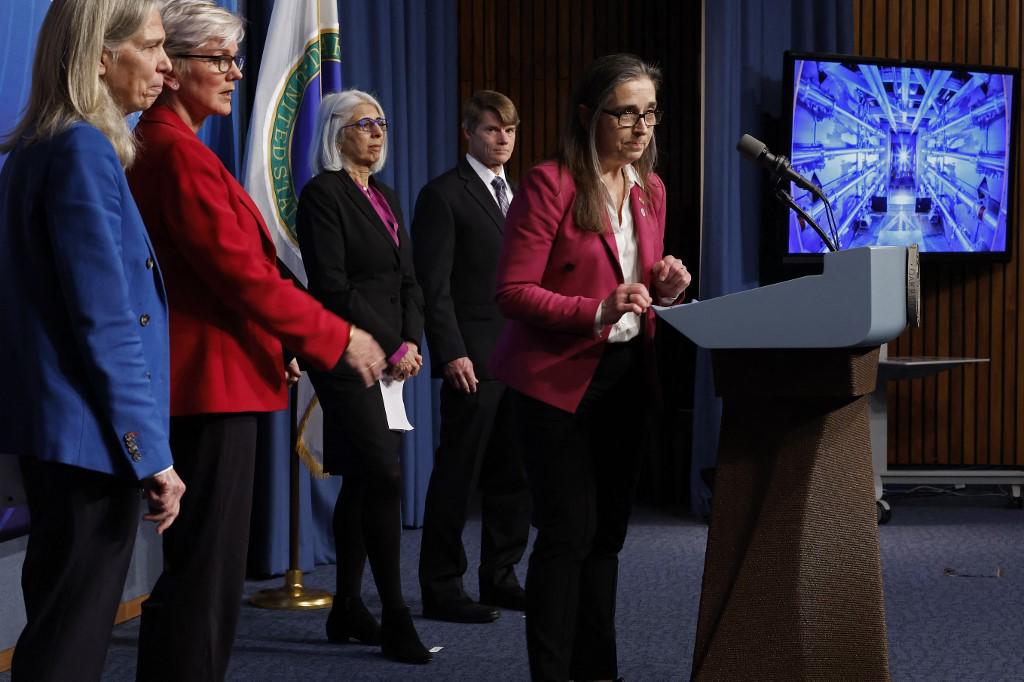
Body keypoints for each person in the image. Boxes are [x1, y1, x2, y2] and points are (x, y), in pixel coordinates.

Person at [125, 2, 385, 679]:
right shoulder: (176, 154)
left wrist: (283, 346)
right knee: (204, 580)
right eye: (220, 59)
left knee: (203, 576)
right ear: (173, 68)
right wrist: (338, 339)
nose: (236, 73)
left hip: (223, 378)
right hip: (207, 388)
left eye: (238, 59)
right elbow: (243, 279)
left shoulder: (178, 147)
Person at [489, 53, 692, 681]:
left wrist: (667, 286)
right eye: (625, 112)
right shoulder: (551, 183)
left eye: (650, 114)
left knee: (607, 538)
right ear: (588, 115)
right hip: (556, 381)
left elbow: (643, 285)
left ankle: (597, 670)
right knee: (566, 535)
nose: (640, 127)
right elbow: (512, 290)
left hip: (629, 375)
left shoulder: (650, 189)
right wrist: (595, 308)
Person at [0, 0, 186, 679]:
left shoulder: (39, 146)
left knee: (55, 631)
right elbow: (106, 321)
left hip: (60, 442)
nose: (168, 66)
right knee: (69, 645)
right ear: (100, 57)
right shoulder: (81, 147)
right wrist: (153, 455)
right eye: (153, 46)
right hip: (90, 447)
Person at [296, 89, 430, 665]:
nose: (376, 132)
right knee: (382, 475)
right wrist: (389, 342)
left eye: (381, 122)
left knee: (360, 478)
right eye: (362, 124)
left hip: (393, 357)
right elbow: (331, 286)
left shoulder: (387, 196)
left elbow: (408, 281)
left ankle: (347, 607)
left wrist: (413, 342)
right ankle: (396, 615)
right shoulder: (322, 195)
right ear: (335, 133)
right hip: (345, 354)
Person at [412, 90, 531, 624]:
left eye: (508, 130)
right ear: (468, 134)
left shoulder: (523, 195)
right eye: (490, 130)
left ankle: (500, 576)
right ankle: (442, 587)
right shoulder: (443, 195)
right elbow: (431, 287)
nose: (502, 139)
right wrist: (451, 353)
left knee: (514, 475)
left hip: (521, 358)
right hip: (473, 363)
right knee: (458, 476)